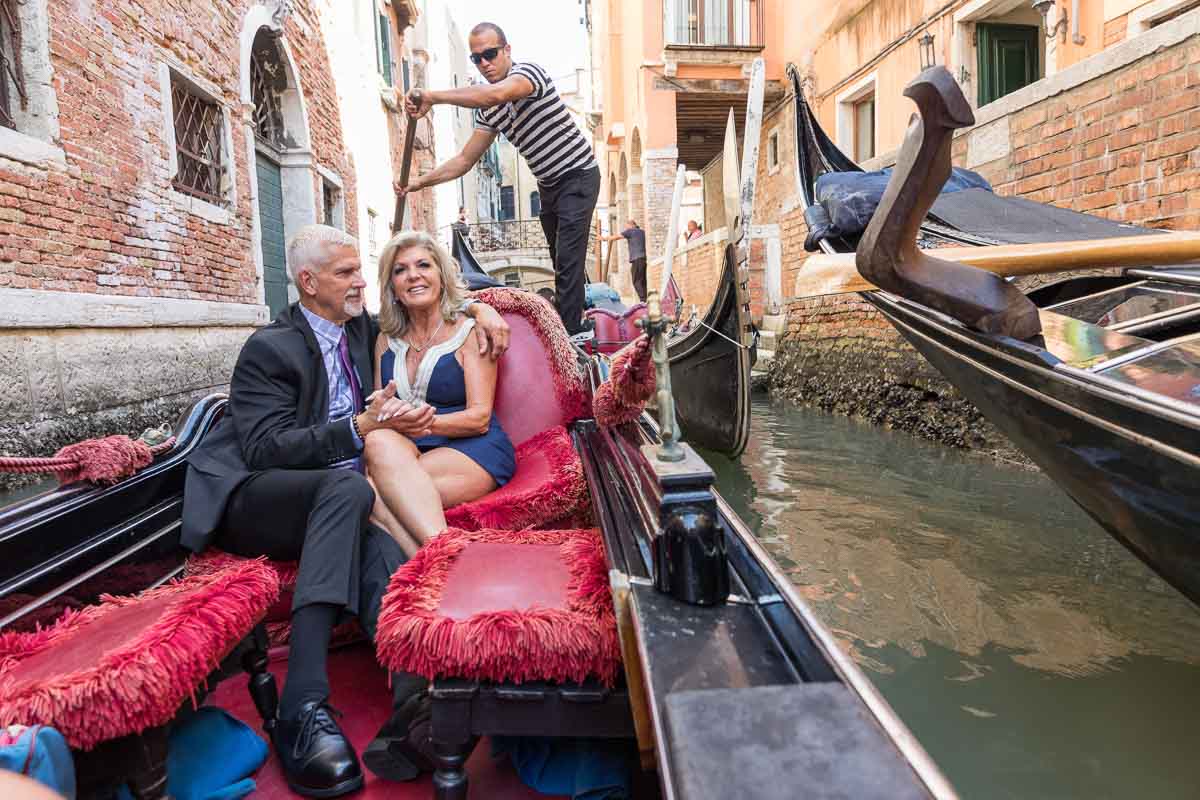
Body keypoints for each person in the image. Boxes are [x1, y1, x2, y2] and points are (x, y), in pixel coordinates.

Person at [181, 224, 511, 796]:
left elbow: (430, 304)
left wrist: (483, 311)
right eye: (346, 274)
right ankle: (303, 707)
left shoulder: (361, 326)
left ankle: (420, 703)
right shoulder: (270, 347)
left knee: (376, 536)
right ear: (308, 283)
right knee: (351, 491)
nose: (362, 282)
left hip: (336, 494)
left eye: (361, 270)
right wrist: (357, 427)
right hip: (256, 496)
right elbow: (262, 450)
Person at [396, 21, 600, 344]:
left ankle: (572, 333)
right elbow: (464, 161)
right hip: (549, 184)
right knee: (559, 258)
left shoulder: (529, 75)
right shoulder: (490, 113)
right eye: (476, 59)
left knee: (567, 257)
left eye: (490, 54)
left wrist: (432, 96)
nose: (484, 63)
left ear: (507, 50)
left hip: (578, 173)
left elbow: (495, 93)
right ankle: (576, 317)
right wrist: (418, 183)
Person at [365, 230, 516, 556]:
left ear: (441, 275)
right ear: (392, 285)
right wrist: (384, 411)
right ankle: (442, 558)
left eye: (424, 265)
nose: (413, 275)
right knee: (376, 447)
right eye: (400, 269)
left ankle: (431, 562)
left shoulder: (471, 331)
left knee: (371, 494)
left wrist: (416, 422)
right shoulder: (384, 340)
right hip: (407, 450)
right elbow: (383, 409)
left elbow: (479, 418)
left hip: (472, 447)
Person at [600, 219, 647, 303]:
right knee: (642, 280)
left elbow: (616, 237)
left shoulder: (630, 231)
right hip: (644, 259)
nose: (626, 228)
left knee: (636, 280)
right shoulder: (642, 232)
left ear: (631, 225)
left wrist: (604, 238)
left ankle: (643, 301)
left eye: (626, 226)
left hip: (636, 259)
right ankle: (645, 300)